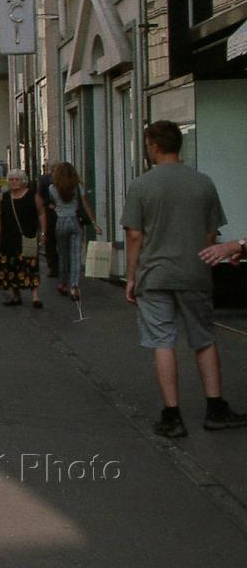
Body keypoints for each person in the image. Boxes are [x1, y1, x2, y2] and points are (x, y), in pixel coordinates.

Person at [122, 120, 247, 436]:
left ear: (153, 146)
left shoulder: (141, 186)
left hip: (154, 274)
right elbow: (211, 232)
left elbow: (135, 235)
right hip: (195, 272)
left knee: (162, 342)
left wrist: (131, 276)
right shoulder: (203, 183)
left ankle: (172, 415)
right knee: (203, 338)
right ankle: (215, 407)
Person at [0, 169, 47, 308]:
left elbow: (41, 213)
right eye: (11, 179)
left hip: (28, 237)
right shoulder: (4, 197)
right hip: (8, 237)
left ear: (24, 181)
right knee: (11, 266)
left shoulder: (32, 196)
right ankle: (16, 296)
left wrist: (43, 233)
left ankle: (35, 296)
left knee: (31, 265)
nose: (14, 182)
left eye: (17, 179)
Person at [50, 161, 101, 300]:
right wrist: (94, 223)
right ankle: (74, 286)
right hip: (75, 221)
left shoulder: (52, 188)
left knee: (63, 255)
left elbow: (53, 204)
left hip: (61, 221)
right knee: (75, 255)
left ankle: (62, 283)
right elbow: (85, 205)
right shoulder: (77, 187)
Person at [36, 164, 60, 278]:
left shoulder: (65, 180)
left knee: (57, 241)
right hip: (50, 213)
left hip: (60, 213)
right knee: (50, 240)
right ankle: (53, 267)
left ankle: (60, 265)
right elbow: (40, 196)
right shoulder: (45, 180)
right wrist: (48, 204)